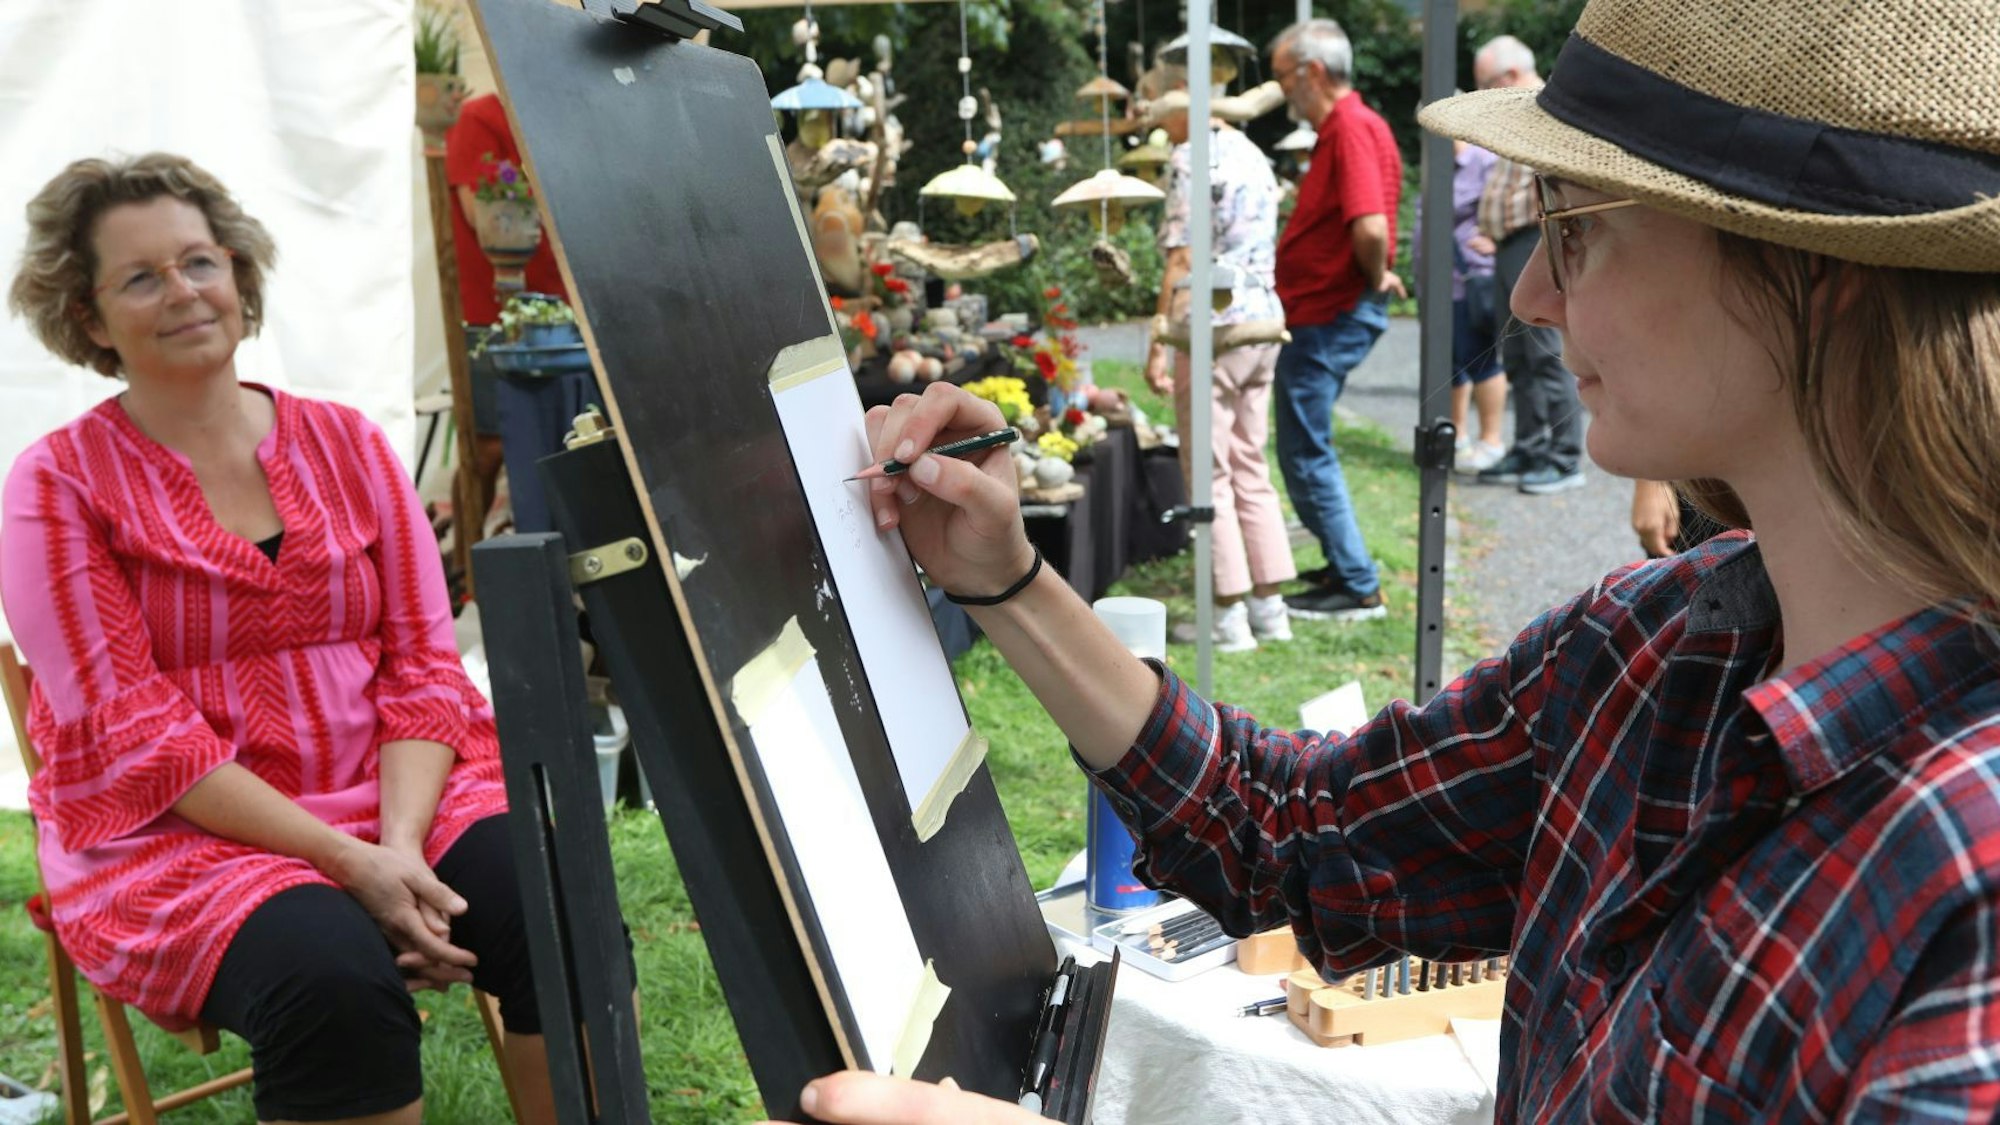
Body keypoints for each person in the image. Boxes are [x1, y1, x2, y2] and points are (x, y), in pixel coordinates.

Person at [764, 0, 2000, 1118]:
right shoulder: (1650, 645)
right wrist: (1007, 578)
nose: (1531, 300)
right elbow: (1294, 832)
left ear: (1814, 272)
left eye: (1576, 230)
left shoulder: (1967, 887)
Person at [2, 154, 558, 1124]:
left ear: (238, 273)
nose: (183, 291)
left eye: (199, 261)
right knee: (328, 977)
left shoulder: (348, 444)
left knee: (552, 903)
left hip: (395, 789)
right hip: (180, 834)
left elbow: (426, 666)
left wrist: (394, 846)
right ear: (88, 318)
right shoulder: (56, 489)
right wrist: (350, 870)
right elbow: (139, 742)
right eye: (141, 277)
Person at [1141, 74, 1296, 652]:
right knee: (1250, 463)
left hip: (1212, 327)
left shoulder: (1191, 157)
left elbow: (1181, 256)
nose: (1157, 118)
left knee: (1210, 472)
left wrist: (1158, 338)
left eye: (1162, 104)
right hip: (1262, 320)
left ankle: (1228, 618)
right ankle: (1271, 609)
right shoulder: (1252, 153)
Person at [1264, 18, 1403, 623]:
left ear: (1311, 72)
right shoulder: (1349, 126)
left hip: (1329, 312)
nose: (1281, 94)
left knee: (1306, 451)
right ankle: (1343, 569)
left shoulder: (1348, 126)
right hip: (1322, 310)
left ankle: (1356, 584)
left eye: (1282, 79)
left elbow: (1369, 225)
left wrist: (1374, 276)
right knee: (1301, 446)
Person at [444, 92, 577, 536]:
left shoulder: (563, 117)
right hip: (494, 316)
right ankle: (468, 565)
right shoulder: (481, 117)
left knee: (567, 436)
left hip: (562, 315)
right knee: (488, 449)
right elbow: (488, 217)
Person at [1471, 35, 1587, 497]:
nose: (1481, 93)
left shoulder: (1547, 108)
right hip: (1510, 241)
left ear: (1512, 75)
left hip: (1534, 238)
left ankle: (1562, 457)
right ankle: (1530, 444)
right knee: (1516, 352)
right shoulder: (1524, 111)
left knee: (1542, 350)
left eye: (1485, 84)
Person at [1413, 138, 1508, 472]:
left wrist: (1498, 240)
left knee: (1479, 357)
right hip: (1436, 285)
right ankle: (1458, 436)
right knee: (1450, 362)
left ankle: (1492, 441)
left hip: (1468, 281)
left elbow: (1508, 206)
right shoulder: (1435, 164)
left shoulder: (1484, 161)